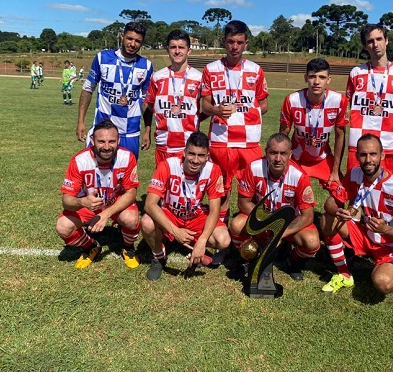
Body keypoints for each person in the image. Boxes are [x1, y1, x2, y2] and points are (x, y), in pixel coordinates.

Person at [320, 134, 393, 295]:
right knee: (327, 219)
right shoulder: (354, 174)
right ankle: (344, 274)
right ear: (357, 156)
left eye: (373, 154)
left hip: (392, 245)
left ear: (382, 155)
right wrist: (338, 211)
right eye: (363, 155)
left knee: (383, 282)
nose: (368, 160)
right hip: (366, 235)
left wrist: (384, 229)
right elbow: (329, 203)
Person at [200, 20, 269, 225]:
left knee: (254, 189)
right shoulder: (211, 69)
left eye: (239, 42)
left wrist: (244, 112)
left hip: (249, 142)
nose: (235, 47)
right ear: (224, 41)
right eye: (231, 42)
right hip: (221, 140)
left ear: (246, 43)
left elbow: (264, 105)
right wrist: (216, 110)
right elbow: (205, 105)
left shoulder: (256, 70)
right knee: (222, 190)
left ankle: (253, 230)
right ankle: (221, 232)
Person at [142, 132, 230, 281]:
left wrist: (202, 241)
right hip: (170, 213)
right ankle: (158, 257)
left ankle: (193, 244)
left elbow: (215, 210)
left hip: (195, 216)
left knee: (223, 240)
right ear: (184, 152)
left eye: (201, 155)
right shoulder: (168, 165)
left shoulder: (213, 170)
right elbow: (149, 204)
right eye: (191, 154)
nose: (195, 160)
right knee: (146, 222)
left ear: (207, 156)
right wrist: (175, 231)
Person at [232, 133, 320, 281]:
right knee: (236, 225)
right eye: (273, 153)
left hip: (288, 224)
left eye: (283, 153)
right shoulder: (254, 168)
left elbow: (308, 216)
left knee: (312, 242)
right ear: (266, 152)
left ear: (290, 155)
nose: (278, 158)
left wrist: (279, 234)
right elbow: (243, 202)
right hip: (262, 219)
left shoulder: (299, 176)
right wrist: (268, 222)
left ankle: (292, 259)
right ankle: (248, 258)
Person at [56, 119, 141, 269]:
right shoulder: (79, 161)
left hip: (115, 202)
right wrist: (82, 202)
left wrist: (105, 214)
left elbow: (131, 193)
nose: (107, 147)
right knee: (63, 226)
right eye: (101, 141)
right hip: (89, 204)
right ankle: (91, 246)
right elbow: (66, 200)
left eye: (111, 141)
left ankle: (128, 247)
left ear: (118, 140)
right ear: (92, 140)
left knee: (131, 219)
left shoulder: (127, 157)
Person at [76, 21, 153, 159]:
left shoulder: (146, 66)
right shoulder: (103, 58)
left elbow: (146, 100)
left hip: (130, 133)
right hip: (102, 131)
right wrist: (80, 121)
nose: (133, 44)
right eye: (129, 38)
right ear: (122, 36)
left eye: (138, 41)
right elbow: (88, 89)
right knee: (94, 170)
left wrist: (147, 130)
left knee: (127, 172)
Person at [346, 24, 393, 175]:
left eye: (379, 39)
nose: (375, 44)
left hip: (389, 144)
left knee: (391, 186)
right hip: (359, 144)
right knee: (355, 185)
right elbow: (350, 106)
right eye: (370, 41)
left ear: (386, 40)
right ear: (365, 46)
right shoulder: (356, 73)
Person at [279, 58, 348, 200]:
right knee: (286, 197)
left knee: (338, 200)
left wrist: (335, 171)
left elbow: (340, 136)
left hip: (323, 158)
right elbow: (283, 136)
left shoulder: (339, 101)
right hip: (297, 158)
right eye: (312, 76)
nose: (316, 81)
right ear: (306, 78)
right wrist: (284, 164)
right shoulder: (292, 100)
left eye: (322, 77)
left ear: (328, 79)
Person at [143, 29, 203, 167]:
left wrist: (194, 118)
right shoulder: (157, 77)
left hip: (189, 145)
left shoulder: (199, 78)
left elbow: (207, 108)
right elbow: (149, 105)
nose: (177, 51)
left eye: (181, 47)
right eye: (173, 47)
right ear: (167, 50)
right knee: (163, 181)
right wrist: (147, 131)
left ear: (189, 51)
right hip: (163, 145)